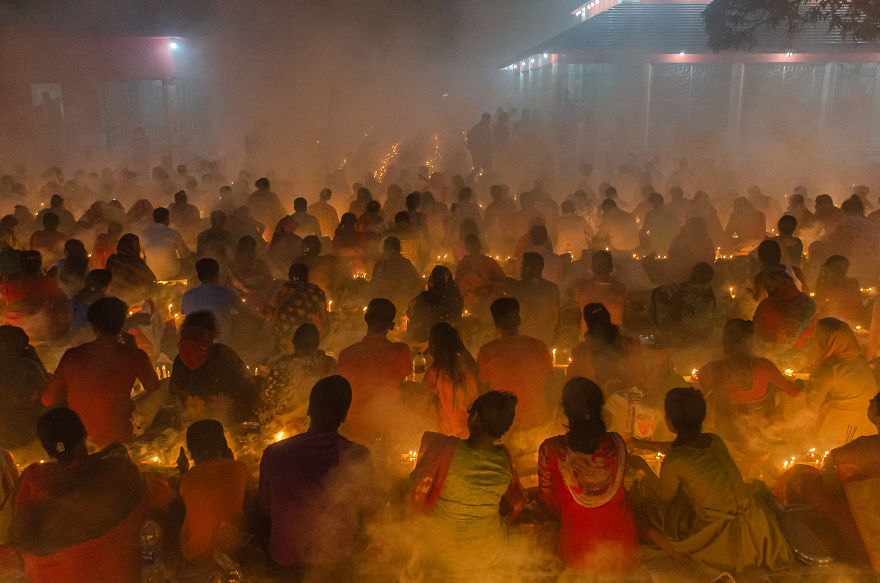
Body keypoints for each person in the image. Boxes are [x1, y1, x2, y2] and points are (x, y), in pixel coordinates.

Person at [631, 388, 793, 572]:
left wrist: (641, 465)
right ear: (702, 417)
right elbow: (683, 450)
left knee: (655, 506)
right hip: (758, 528)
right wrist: (641, 444)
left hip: (721, 537)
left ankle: (660, 540)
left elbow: (664, 495)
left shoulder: (676, 460)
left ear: (669, 422)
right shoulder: (714, 440)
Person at [10, 408, 170, 583]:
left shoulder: (32, 477)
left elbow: (20, 528)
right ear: (84, 433)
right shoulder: (118, 470)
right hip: (119, 575)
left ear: (48, 450)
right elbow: (158, 497)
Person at [259, 376, 377, 572]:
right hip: (337, 559)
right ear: (344, 416)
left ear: (309, 410)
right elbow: (367, 507)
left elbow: (266, 506)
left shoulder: (274, 452)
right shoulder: (359, 456)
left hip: (285, 559)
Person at [410, 391, 525, 573]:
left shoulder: (441, 446)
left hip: (440, 554)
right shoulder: (504, 458)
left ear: (475, 417)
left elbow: (413, 499)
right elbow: (517, 504)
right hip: (487, 553)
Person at [538, 378, 637, 573]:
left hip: (578, 555)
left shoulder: (551, 449)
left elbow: (549, 504)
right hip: (624, 551)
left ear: (565, 410)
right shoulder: (618, 443)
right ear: (600, 407)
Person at [43, 297, 159, 447]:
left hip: (80, 435)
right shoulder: (135, 355)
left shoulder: (72, 355)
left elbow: (48, 400)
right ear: (122, 324)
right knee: (162, 389)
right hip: (118, 436)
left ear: (93, 326)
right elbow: (153, 387)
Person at [697, 319, 801, 445]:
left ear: (725, 343)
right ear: (752, 342)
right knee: (781, 394)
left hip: (726, 439)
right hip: (764, 437)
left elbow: (702, 398)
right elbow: (795, 393)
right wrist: (800, 384)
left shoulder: (710, 370)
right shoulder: (764, 366)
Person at [177, 419, 249, 566]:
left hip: (198, 555)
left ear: (192, 453)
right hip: (234, 551)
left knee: (178, 507)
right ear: (223, 446)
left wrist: (183, 471)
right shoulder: (240, 468)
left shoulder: (190, 477)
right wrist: (231, 461)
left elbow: (188, 491)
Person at [337, 298, 412, 437]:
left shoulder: (346, 354)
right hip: (391, 429)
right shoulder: (401, 351)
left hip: (355, 428)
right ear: (391, 325)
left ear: (366, 319)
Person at [477, 298, 552, 427]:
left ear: (496, 324)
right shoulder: (539, 347)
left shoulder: (486, 351)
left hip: (503, 424)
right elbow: (550, 384)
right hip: (537, 422)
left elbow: (482, 391)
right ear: (519, 320)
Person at [170, 311, 255, 419]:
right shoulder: (221, 354)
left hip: (190, 421)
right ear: (209, 334)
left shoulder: (180, 358)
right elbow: (246, 383)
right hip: (229, 419)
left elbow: (173, 391)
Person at [811, 318, 878, 447]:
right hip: (868, 430)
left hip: (838, 433)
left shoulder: (829, 367)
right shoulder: (860, 361)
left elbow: (811, 405)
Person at [260, 323, 337, 423]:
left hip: (282, 422)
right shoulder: (329, 363)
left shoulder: (282, 364)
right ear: (317, 343)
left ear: (294, 343)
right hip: (313, 423)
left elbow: (269, 396)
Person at [568, 303, 648, 394]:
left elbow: (571, 386)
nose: (600, 327)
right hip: (622, 402)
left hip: (606, 403)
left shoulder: (580, 352)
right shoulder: (632, 345)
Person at [0, 250, 69, 342]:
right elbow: (63, 299)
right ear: (39, 265)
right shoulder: (46, 283)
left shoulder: (9, 282)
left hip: (12, 328)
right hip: (39, 330)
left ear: (21, 265)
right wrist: (54, 279)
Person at [424, 322, 478, 437]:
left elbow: (426, 404)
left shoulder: (433, 373)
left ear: (433, 347)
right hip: (469, 433)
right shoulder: (467, 368)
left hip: (445, 435)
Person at [0, 325, 48, 449]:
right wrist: (36, 360)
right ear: (19, 345)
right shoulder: (28, 366)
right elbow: (49, 396)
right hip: (26, 435)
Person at [753, 271, 817, 360]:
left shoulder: (767, 305)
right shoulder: (809, 303)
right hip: (804, 358)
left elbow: (759, 333)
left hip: (772, 358)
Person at [650, 261, 716, 347]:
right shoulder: (709, 296)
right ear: (710, 279)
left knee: (645, 338)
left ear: (692, 274)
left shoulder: (671, 289)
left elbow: (655, 293)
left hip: (671, 337)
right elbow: (708, 322)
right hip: (697, 340)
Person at [181, 258, 245, 343]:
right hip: (222, 344)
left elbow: (185, 315)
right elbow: (245, 313)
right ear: (217, 274)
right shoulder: (227, 292)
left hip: (196, 345)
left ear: (199, 277)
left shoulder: (187, 295)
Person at [504, 251, 560, 346]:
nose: (520, 268)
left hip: (522, 341)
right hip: (545, 340)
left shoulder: (517, 288)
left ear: (528, 268)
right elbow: (556, 316)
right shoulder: (552, 288)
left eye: (522, 265)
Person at [270, 263, 328, 348]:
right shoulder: (317, 291)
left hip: (287, 338)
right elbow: (323, 315)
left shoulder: (283, 290)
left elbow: (275, 313)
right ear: (307, 275)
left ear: (290, 275)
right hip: (313, 336)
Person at [406, 265, 464, 344]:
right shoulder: (455, 296)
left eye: (431, 279)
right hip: (452, 339)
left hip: (426, 340)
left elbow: (413, 318)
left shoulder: (423, 299)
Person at [454, 234, 506, 313]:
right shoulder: (464, 264)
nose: (473, 247)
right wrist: (474, 291)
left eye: (474, 244)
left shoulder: (489, 261)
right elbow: (458, 284)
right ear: (467, 247)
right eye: (470, 245)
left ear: (479, 245)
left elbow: (502, 279)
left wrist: (489, 288)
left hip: (489, 296)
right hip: (470, 300)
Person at [573, 250, 626, 326]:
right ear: (611, 267)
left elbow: (576, 316)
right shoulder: (621, 288)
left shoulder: (581, 288)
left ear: (592, 267)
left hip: (588, 337)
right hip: (615, 336)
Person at [370, 236, 423, 310]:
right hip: (400, 304)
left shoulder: (380, 263)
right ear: (399, 248)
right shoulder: (404, 262)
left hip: (381, 305)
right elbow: (418, 282)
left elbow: (373, 284)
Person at [104, 233, 156, 305]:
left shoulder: (112, 259)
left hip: (113, 299)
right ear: (128, 247)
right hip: (135, 300)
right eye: (136, 246)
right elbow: (152, 279)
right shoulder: (136, 262)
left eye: (138, 245)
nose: (138, 248)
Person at [141, 207, 190, 281]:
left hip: (151, 272)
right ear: (167, 219)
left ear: (154, 219)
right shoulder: (173, 233)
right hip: (172, 273)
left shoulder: (144, 233)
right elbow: (184, 254)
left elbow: (143, 254)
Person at [815, 255, 863, 326]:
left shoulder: (851, 283)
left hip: (848, 320)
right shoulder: (828, 283)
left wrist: (821, 275)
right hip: (844, 321)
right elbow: (820, 298)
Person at [229, 235, 274, 308]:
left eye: (248, 248)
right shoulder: (232, 265)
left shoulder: (261, 264)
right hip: (236, 301)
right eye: (245, 248)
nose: (246, 251)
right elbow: (228, 285)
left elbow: (269, 283)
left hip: (255, 301)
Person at [69, 268, 112, 336]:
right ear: (105, 288)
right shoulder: (103, 306)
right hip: (85, 337)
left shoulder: (76, 297)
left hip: (72, 332)